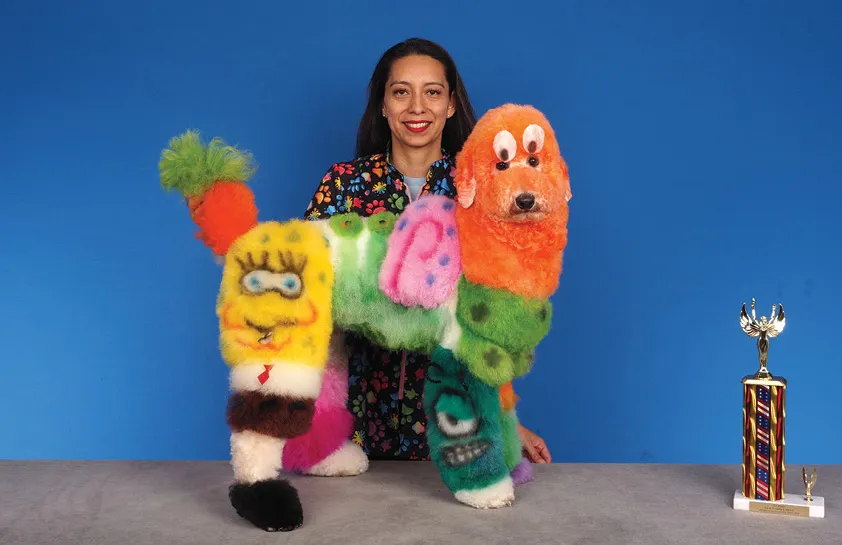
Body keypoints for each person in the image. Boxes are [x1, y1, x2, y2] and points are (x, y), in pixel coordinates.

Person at [303, 37, 551, 465]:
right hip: (349, 434)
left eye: (432, 92)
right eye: (401, 91)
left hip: (453, 439)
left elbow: (489, 318)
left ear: (451, 104)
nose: (417, 107)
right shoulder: (342, 185)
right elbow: (307, 294)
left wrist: (507, 419)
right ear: (383, 104)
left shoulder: (477, 191)